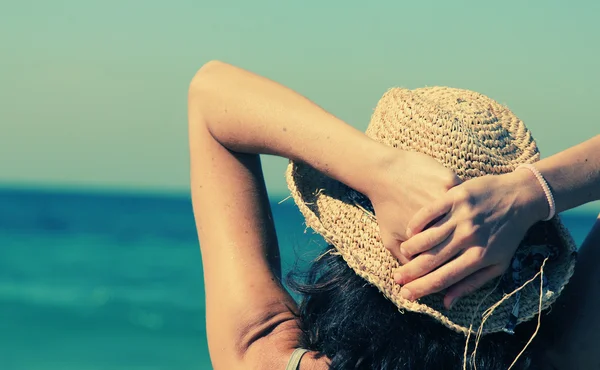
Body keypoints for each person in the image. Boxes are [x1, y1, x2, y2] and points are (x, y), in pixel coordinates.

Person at [187, 60, 600, 370]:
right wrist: (529, 193)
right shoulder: (557, 357)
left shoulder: (266, 354)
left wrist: (378, 170)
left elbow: (211, 95)